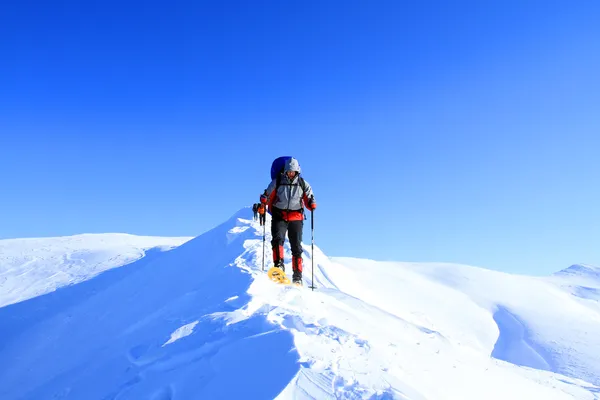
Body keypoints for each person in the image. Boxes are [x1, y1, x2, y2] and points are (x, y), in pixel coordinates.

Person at [260, 157, 316, 284]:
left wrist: (312, 204)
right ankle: (279, 266)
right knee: (277, 240)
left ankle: (297, 276)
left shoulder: (302, 183)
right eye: (289, 171)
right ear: (285, 171)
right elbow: (268, 196)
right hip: (279, 215)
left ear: (297, 172)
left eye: (293, 171)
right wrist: (264, 201)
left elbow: (309, 199)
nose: (291, 174)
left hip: (296, 217)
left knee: (296, 247)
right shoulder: (277, 181)